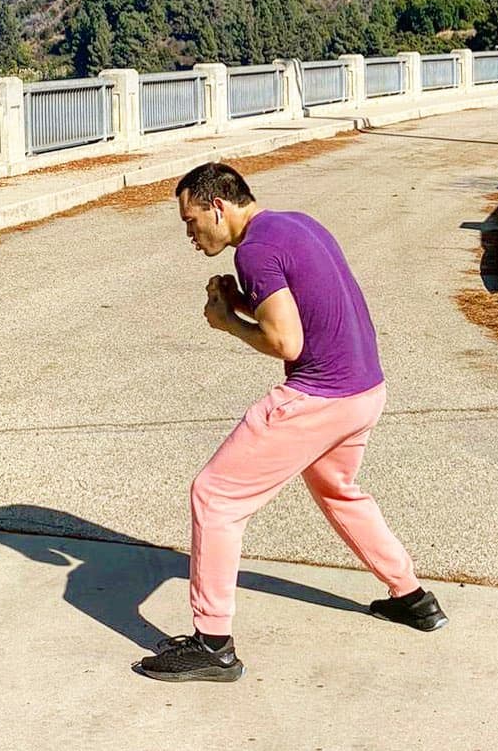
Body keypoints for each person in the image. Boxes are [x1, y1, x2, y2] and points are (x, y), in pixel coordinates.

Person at [137, 162, 447, 683]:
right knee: (339, 490)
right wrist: (244, 300)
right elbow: (309, 307)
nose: (189, 234)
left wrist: (228, 322)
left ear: (218, 207)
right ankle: (414, 599)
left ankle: (212, 643)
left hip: (319, 398)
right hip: (365, 390)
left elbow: (288, 343)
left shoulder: (253, 251)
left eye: (191, 221)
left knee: (215, 497)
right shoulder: (294, 223)